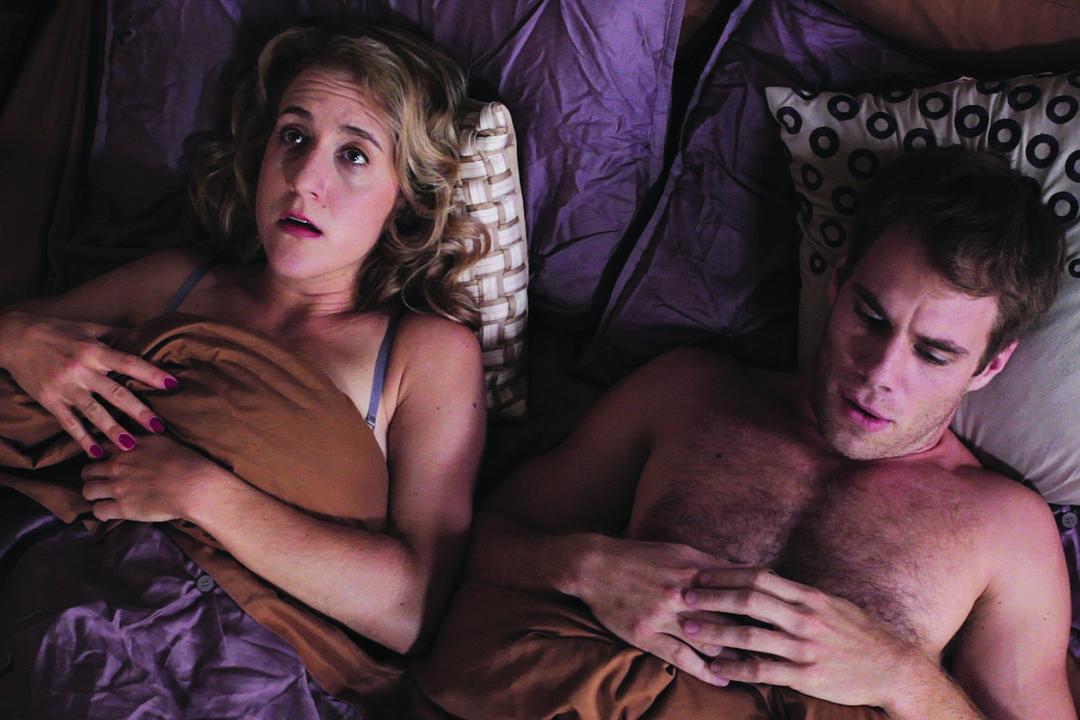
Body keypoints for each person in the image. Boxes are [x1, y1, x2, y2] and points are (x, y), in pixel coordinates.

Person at [415, 147, 1075, 719]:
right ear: (838, 281)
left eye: (933, 353)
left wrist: (903, 677)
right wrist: (586, 569)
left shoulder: (1006, 528)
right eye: (871, 317)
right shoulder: (687, 393)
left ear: (989, 367)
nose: (880, 373)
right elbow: (463, 550)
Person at [0, 21, 486, 660]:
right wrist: (14, 336)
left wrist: (201, 493)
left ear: (405, 197)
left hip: (227, 660)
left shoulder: (424, 354)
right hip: (49, 587)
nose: (303, 178)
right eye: (294, 136)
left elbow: (409, 612)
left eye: (354, 155)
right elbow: (26, 350)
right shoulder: (173, 282)